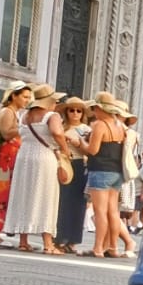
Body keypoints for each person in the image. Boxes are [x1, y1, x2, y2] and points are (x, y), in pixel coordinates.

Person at [3, 83, 68, 254]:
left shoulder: (24, 115)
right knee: (46, 197)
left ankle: (23, 241)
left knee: (25, 195)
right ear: (49, 101)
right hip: (44, 157)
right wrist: (65, 149)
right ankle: (48, 244)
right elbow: (57, 132)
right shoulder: (51, 116)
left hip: (24, 157)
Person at [77, 92, 133, 258]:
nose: (93, 111)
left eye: (94, 108)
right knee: (113, 211)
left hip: (101, 170)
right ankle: (113, 247)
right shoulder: (119, 126)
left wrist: (81, 143)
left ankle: (98, 248)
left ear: (100, 108)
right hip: (117, 172)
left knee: (100, 211)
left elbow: (92, 150)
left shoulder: (101, 125)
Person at [0, 82, 32, 245]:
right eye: (24, 97)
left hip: (9, 158)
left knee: (4, 194)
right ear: (13, 96)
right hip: (3, 158)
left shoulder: (16, 113)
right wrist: (24, 127)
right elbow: (6, 133)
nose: (27, 100)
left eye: (29, 97)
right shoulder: (7, 112)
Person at [55, 97, 90, 254]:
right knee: (62, 202)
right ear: (66, 112)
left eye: (78, 110)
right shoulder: (60, 127)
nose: (75, 113)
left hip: (79, 164)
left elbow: (90, 151)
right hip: (63, 165)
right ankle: (60, 236)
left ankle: (74, 239)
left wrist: (77, 143)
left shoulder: (87, 130)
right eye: (71, 110)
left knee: (78, 204)